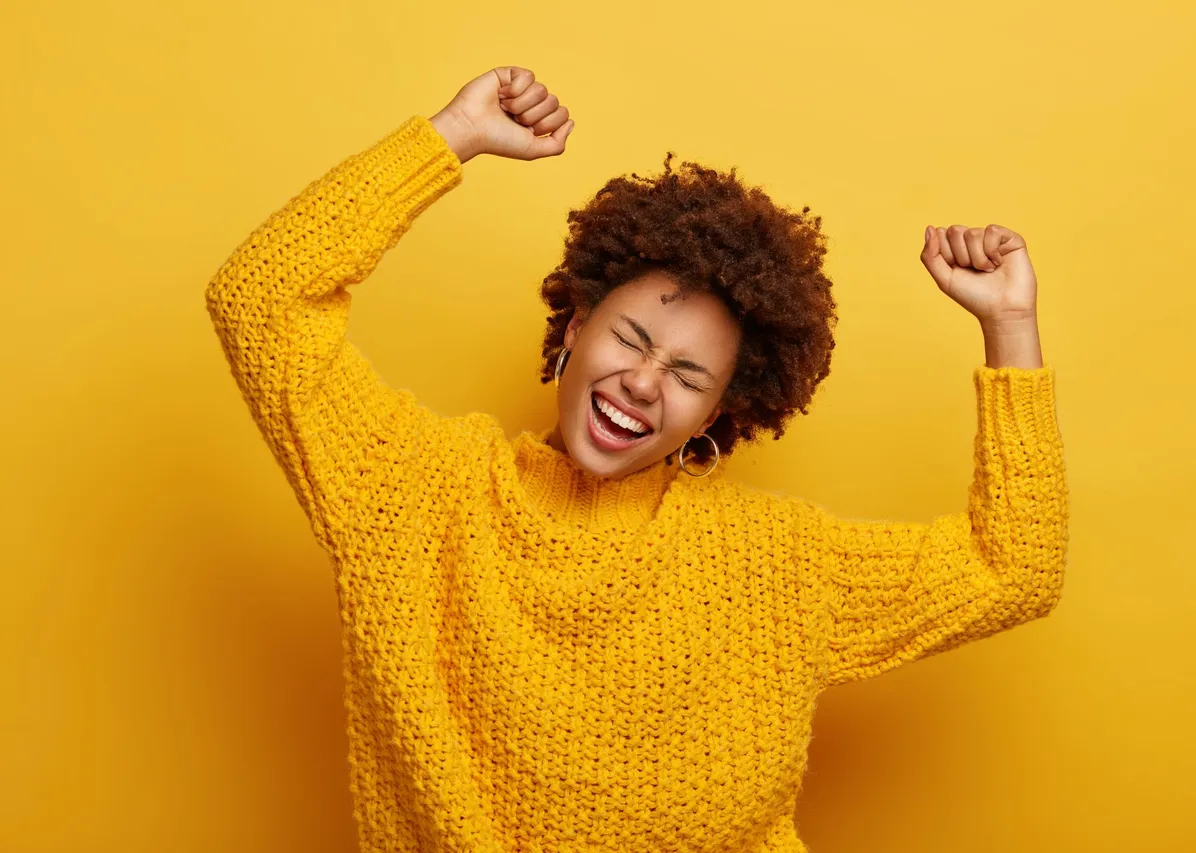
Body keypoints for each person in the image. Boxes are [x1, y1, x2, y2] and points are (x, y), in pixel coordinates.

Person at [205, 66, 1068, 853]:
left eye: (689, 374)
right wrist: (450, 137)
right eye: (630, 338)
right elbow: (259, 300)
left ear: (716, 413)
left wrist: (1010, 325)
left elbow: (1015, 565)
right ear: (576, 331)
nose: (645, 383)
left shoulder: (776, 563)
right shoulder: (413, 489)